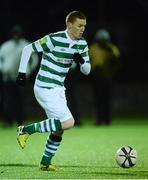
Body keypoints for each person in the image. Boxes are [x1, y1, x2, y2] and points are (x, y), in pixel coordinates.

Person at [16, 11, 91, 171]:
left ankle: (45, 162)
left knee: (59, 129)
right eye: (79, 25)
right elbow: (28, 49)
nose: (82, 29)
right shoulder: (54, 39)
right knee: (69, 122)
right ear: (69, 25)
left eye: (84, 26)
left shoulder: (82, 43)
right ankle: (25, 130)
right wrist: (22, 73)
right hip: (44, 86)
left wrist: (81, 61)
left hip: (58, 88)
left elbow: (87, 71)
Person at [0, 25, 39, 126]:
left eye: (18, 34)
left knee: (21, 100)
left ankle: (21, 120)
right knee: (8, 100)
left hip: (21, 77)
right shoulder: (5, 46)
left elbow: (34, 59)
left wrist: (29, 70)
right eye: (15, 34)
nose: (16, 36)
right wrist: (3, 68)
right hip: (8, 76)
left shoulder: (26, 45)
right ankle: (8, 121)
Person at [89, 29, 120, 125]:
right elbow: (87, 61)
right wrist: (93, 68)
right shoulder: (93, 48)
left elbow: (117, 59)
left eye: (104, 40)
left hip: (108, 77)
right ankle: (99, 120)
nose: (102, 41)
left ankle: (107, 120)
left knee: (107, 99)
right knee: (98, 100)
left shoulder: (111, 48)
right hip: (96, 78)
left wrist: (110, 51)